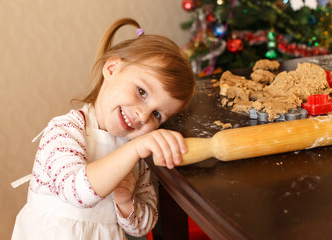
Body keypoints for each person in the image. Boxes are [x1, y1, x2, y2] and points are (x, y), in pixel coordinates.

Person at [12, 18, 196, 240]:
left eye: (157, 115)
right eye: (142, 92)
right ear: (111, 68)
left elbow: (144, 225)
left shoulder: (137, 155)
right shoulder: (65, 130)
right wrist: (135, 149)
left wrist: (127, 202)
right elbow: (77, 192)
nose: (143, 115)